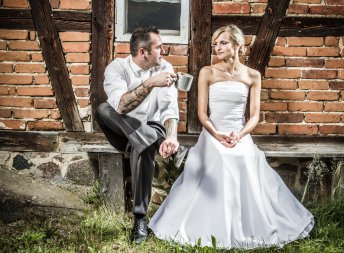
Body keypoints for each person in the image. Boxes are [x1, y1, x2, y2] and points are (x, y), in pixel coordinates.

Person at [149, 25, 314, 249]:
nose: (217, 47)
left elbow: (254, 116)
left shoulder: (252, 75)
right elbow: (202, 114)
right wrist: (216, 134)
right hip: (213, 133)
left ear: (237, 45)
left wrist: (240, 135)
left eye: (223, 43)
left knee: (244, 158)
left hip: (239, 133)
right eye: (215, 44)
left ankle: (248, 224)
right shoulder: (207, 72)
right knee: (220, 158)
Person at [96, 26, 186, 244]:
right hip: (120, 131)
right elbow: (121, 106)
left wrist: (172, 136)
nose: (163, 51)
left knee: (142, 145)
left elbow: (169, 109)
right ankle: (165, 146)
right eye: (159, 47)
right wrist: (150, 83)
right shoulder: (117, 68)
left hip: (151, 128)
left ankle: (140, 219)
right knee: (103, 110)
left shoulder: (165, 67)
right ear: (143, 52)